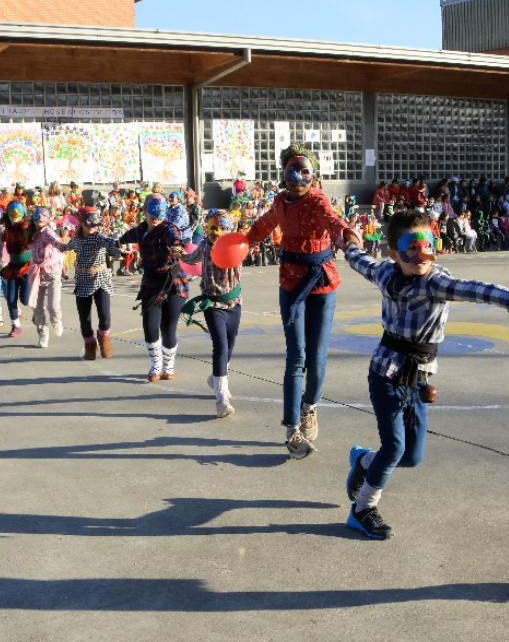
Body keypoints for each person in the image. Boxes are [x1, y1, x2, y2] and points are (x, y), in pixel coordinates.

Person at [342, 210, 509, 539]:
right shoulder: (385, 272)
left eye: (428, 245)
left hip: (419, 378)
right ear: (394, 253)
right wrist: (350, 243)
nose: (421, 255)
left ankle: (365, 461)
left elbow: (478, 290)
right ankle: (363, 508)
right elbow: (359, 260)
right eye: (412, 248)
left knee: (411, 457)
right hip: (384, 374)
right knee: (394, 448)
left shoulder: (436, 281)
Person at [244, 145, 356, 460]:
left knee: (317, 357)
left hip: (321, 284)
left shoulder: (318, 200)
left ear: (313, 175)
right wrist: (242, 242)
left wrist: (347, 235)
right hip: (291, 285)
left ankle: (309, 408)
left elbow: (332, 221)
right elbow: (264, 224)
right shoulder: (280, 202)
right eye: (292, 171)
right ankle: (292, 428)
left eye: (304, 172)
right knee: (296, 356)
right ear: (283, 175)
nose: (297, 179)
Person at [180, 210, 242, 418]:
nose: (217, 232)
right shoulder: (204, 246)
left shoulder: (235, 246)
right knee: (220, 345)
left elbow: (247, 247)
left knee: (230, 343)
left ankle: (217, 375)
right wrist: (178, 254)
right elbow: (190, 258)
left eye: (222, 227)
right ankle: (221, 397)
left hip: (233, 301)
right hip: (212, 303)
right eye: (213, 227)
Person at [120, 193, 188, 381]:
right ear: (144, 211)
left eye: (160, 213)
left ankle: (169, 366)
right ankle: (156, 365)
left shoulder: (169, 228)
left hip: (173, 283)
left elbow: (174, 239)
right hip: (151, 283)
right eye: (152, 213)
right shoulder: (141, 230)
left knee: (168, 328)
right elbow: (126, 237)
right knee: (150, 327)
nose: (156, 217)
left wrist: (177, 248)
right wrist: (115, 243)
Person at [65, 207, 121, 359]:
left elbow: (112, 243)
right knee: (85, 319)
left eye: (95, 224)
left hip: (101, 280)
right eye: (88, 223)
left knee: (105, 316)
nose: (92, 227)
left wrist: (117, 244)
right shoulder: (76, 240)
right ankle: (90, 344)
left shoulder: (98, 238)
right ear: (82, 223)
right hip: (83, 281)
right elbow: (64, 247)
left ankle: (104, 340)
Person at [26, 206, 65, 348]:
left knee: (53, 306)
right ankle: (43, 334)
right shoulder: (32, 233)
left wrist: (63, 246)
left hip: (52, 272)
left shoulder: (47, 231)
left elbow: (56, 241)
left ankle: (56, 321)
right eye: (37, 216)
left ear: (48, 219)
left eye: (43, 216)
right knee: (37, 308)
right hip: (38, 274)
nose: (39, 219)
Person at [0, 201, 33, 337]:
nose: (15, 216)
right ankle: (15, 326)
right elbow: (2, 240)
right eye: (12, 213)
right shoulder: (7, 227)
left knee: (25, 299)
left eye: (17, 213)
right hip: (13, 266)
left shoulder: (25, 227)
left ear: (23, 214)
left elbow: (35, 236)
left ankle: (37, 311)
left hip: (26, 266)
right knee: (11, 297)